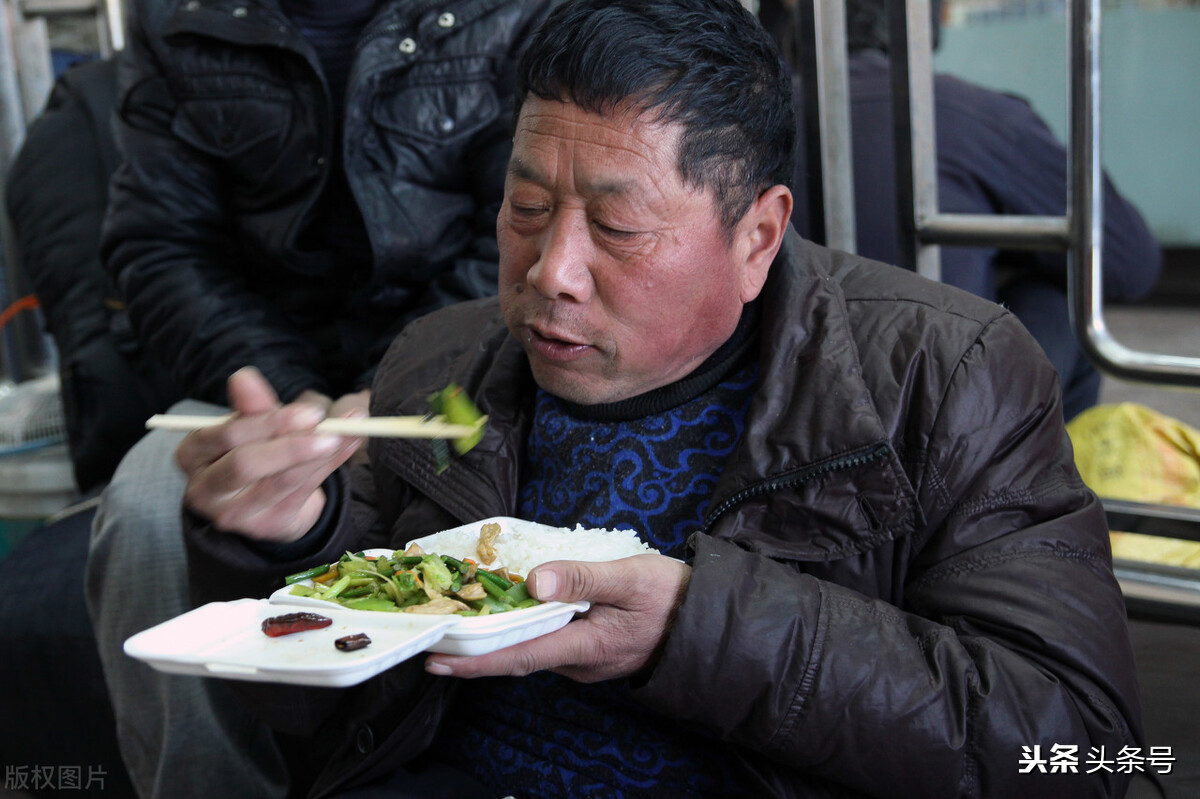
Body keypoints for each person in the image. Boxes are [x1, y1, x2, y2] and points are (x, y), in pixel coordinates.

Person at [176, 0, 1143, 796]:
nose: (551, 271)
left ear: (758, 236)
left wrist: (700, 629)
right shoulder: (442, 362)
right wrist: (294, 540)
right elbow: (339, 725)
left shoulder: (946, 375)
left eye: (618, 225)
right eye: (525, 208)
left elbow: (1086, 751)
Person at [84, 1, 555, 797]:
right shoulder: (179, 19)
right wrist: (290, 401)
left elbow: (521, 230)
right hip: (255, 386)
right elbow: (160, 244)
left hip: (468, 368)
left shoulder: (516, 14)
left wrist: (389, 387)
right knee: (145, 507)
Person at [786, 0, 1163, 421]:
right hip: (951, 416)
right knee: (1065, 302)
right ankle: (1035, 477)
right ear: (925, 21)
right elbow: (1129, 262)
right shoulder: (975, 113)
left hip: (782, 409)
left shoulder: (751, 122)